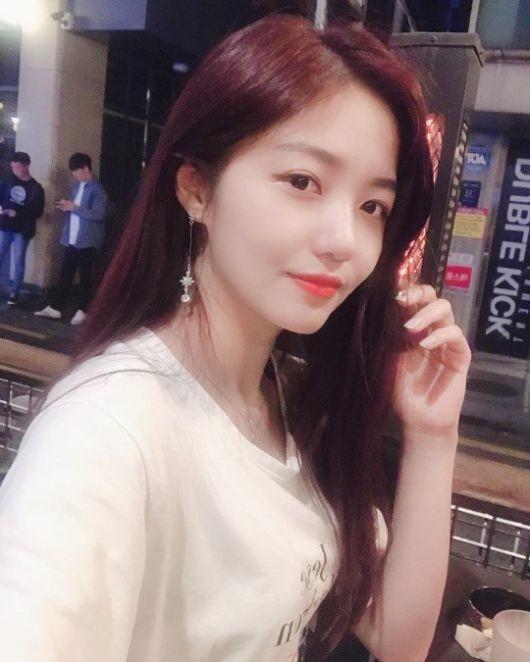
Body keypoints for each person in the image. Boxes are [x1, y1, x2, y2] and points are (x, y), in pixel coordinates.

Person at [0, 15, 471, 662]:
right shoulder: (107, 431)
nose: (345, 240)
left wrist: (433, 434)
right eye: (302, 182)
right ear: (197, 188)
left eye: (372, 207)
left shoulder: (287, 394)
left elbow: (399, 639)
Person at [34, 152, 107, 325]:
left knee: (85, 278)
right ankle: (56, 307)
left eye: (77, 171)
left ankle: (84, 310)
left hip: (88, 241)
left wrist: (73, 207)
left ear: (86, 169)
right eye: (73, 171)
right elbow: (75, 208)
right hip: (72, 238)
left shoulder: (98, 190)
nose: (74, 174)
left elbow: (99, 215)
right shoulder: (75, 185)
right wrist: (66, 206)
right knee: (65, 275)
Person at [0, 151, 45, 305]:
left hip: (22, 228)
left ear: (26, 166)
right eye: (13, 167)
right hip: (5, 225)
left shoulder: (36, 188)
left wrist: (18, 213)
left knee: (19, 259)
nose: (15, 170)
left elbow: (38, 211)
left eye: (17, 167)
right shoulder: (9, 181)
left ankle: (15, 291)